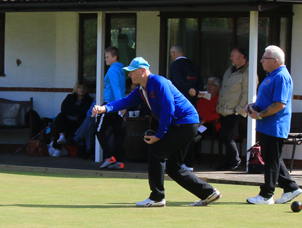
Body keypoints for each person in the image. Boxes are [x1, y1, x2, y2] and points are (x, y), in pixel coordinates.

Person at [92, 57, 221, 207]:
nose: (129, 75)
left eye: (132, 72)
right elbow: (124, 102)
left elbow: (168, 110)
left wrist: (160, 135)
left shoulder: (159, 82)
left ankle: (157, 197)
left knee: (156, 153)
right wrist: (104, 108)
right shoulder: (142, 90)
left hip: (185, 124)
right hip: (183, 124)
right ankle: (208, 193)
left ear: (143, 71)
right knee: (174, 168)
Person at [246, 45, 302, 205]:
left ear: (275, 61)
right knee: (272, 158)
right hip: (266, 125)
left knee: (271, 160)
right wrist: (253, 106)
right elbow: (267, 100)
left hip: (275, 125)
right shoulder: (272, 75)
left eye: (265, 58)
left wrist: (259, 114)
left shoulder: (281, 77)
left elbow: (279, 104)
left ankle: (266, 194)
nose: (262, 61)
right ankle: (290, 188)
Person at [216, 47, 249, 170]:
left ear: (242, 57)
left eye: (233, 55)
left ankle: (234, 162)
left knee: (226, 135)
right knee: (225, 135)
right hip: (224, 110)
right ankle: (230, 161)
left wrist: (239, 110)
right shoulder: (230, 70)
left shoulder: (248, 73)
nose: (231, 58)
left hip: (235, 111)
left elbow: (247, 93)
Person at [96, 46, 127, 169]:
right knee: (117, 134)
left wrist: (120, 105)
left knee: (99, 130)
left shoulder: (113, 70)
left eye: (107, 57)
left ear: (115, 57)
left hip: (110, 105)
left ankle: (109, 157)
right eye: (105, 57)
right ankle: (119, 162)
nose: (105, 59)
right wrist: (122, 105)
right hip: (119, 105)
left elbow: (115, 88)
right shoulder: (120, 70)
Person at [53, 83, 94, 150]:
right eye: (79, 88)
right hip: (67, 120)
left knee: (61, 126)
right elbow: (63, 108)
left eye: (83, 88)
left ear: (86, 90)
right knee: (60, 116)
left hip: (78, 122)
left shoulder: (89, 100)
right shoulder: (70, 97)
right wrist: (76, 110)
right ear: (76, 89)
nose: (81, 90)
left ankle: (57, 149)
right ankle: (62, 136)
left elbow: (83, 111)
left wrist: (72, 109)